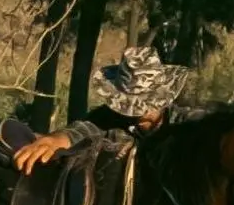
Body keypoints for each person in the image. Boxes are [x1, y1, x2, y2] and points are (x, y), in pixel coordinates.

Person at [12, 46, 190, 172]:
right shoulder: (112, 117)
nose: (137, 111)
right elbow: (85, 129)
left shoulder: (187, 124)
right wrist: (54, 140)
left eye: (145, 101)